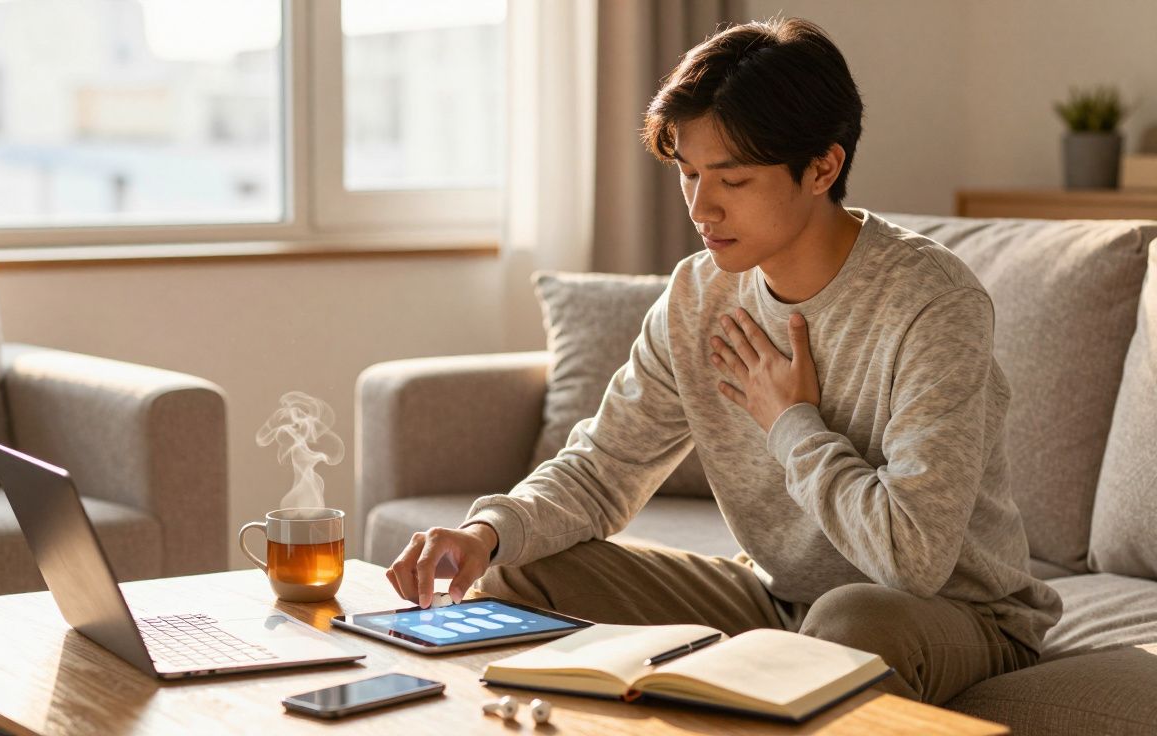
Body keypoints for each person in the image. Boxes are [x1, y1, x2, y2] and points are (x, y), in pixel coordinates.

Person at [385, 16, 1061, 705]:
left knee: (851, 622)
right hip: (777, 601)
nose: (701, 207)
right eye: (687, 173)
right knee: (526, 572)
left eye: (732, 180)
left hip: (951, 614)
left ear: (823, 167)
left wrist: (792, 421)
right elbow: (601, 470)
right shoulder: (698, 295)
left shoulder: (931, 302)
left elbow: (912, 559)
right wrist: (485, 534)